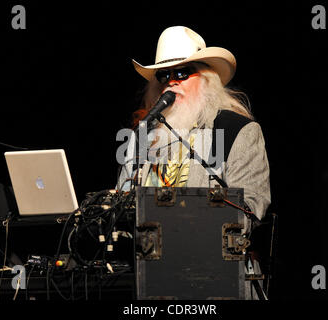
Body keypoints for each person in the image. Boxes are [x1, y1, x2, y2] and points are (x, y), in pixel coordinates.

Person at [116, 26, 271, 299]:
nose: (171, 82)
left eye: (182, 73)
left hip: (217, 282)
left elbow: (251, 208)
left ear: (207, 78)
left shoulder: (236, 130)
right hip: (151, 283)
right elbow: (121, 205)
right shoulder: (142, 138)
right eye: (164, 75)